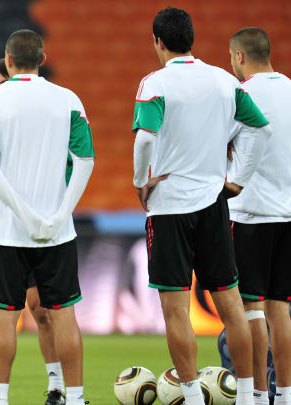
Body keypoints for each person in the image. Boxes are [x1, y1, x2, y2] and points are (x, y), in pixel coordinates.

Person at [132, 8, 272, 405]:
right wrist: (238, 179)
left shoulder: (155, 82)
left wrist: (141, 181)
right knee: (232, 305)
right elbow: (260, 129)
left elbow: (144, 139)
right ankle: (249, 396)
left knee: (176, 310)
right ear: (191, 37)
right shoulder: (224, 80)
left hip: (169, 207)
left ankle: (192, 398)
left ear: (158, 41)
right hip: (214, 204)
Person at [0, 29, 94, 405]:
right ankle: (73, 398)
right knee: (64, 316)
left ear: (8, 61)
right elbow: (85, 161)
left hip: (9, 232)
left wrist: (23, 215)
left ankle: (0, 398)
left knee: (6, 318)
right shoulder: (67, 100)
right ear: (43, 59)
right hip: (57, 233)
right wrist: (60, 214)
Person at [228, 27, 291, 405]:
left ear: (239, 57)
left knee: (250, 309)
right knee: (280, 308)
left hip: (250, 213)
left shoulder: (242, 95)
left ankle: (252, 395)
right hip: (289, 214)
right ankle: (284, 395)